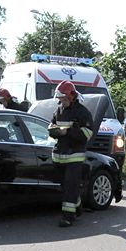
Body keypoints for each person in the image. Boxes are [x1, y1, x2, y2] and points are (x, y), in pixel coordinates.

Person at [48, 80, 95, 227]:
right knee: (66, 186)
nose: (61, 102)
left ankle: (68, 217)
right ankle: (77, 207)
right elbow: (51, 128)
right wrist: (57, 132)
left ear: (71, 97)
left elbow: (87, 134)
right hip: (59, 156)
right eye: (60, 99)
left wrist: (68, 131)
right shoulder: (58, 111)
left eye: (63, 99)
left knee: (70, 186)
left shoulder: (83, 112)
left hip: (75, 156)